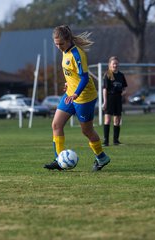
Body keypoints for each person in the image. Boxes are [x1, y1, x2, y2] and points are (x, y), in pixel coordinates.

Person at [44, 25, 111, 171]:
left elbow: (85, 78)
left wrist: (76, 93)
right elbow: (71, 73)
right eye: (56, 44)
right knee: (56, 125)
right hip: (70, 95)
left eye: (61, 44)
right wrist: (69, 84)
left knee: (87, 131)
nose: (58, 47)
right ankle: (59, 160)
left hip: (84, 97)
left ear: (68, 40)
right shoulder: (65, 51)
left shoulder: (77, 54)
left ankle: (102, 157)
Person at [102, 56, 127, 146]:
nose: (115, 65)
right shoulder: (107, 75)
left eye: (116, 63)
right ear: (110, 65)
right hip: (109, 99)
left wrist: (122, 93)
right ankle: (106, 141)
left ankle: (116, 141)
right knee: (107, 120)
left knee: (117, 120)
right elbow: (104, 89)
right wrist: (105, 101)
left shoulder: (121, 75)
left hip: (118, 99)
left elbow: (125, 88)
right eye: (113, 64)